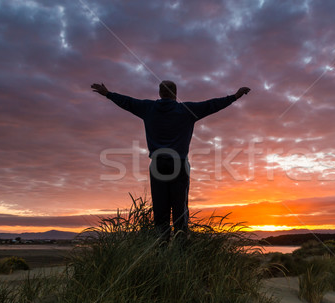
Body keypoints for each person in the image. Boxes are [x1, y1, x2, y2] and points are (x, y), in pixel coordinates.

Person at [91, 80, 251, 241]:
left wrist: (108, 94)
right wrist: (235, 96)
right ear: (175, 93)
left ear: (160, 93)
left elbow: (128, 102)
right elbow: (212, 105)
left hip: (157, 165)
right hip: (179, 164)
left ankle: (162, 249)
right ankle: (180, 251)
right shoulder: (186, 110)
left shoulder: (148, 108)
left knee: (160, 211)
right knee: (180, 210)